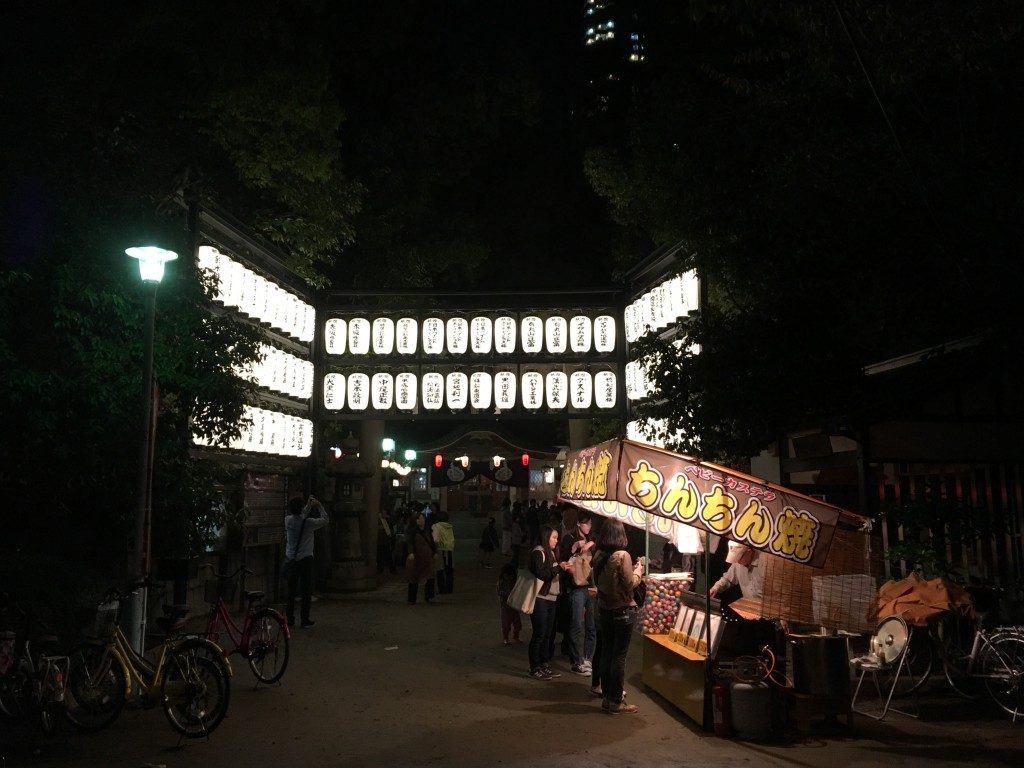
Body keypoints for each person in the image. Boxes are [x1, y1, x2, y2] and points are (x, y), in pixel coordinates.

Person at [592, 518, 643, 714]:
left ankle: (607, 698)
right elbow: (630, 584)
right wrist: (639, 571)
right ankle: (616, 700)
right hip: (623, 610)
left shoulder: (599, 554)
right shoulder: (622, 555)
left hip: (605, 609)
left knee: (606, 653)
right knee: (619, 657)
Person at [527, 525, 569, 680]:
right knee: (539, 633)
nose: (556, 541)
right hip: (540, 599)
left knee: (548, 634)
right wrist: (559, 567)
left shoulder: (551, 552)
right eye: (554, 537)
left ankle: (544, 665)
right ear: (546, 537)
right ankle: (534, 667)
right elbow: (542, 574)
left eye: (557, 538)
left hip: (552, 598)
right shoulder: (538, 552)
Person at [559, 512, 597, 676]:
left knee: (591, 626)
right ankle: (576, 661)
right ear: (578, 524)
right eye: (585, 523)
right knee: (576, 625)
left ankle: (588, 658)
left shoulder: (593, 539)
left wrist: (591, 546)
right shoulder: (569, 539)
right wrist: (574, 549)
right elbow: (563, 560)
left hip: (591, 587)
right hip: (576, 587)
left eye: (590, 523)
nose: (588, 526)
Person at [284, 494, 330, 628]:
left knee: (291, 592)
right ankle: (304, 619)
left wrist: (309, 505)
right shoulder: (309, 523)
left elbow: (300, 515)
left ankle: (289, 619)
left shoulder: (288, 520)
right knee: (306, 591)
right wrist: (319, 505)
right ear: (301, 507)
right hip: (306, 559)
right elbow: (325, 519)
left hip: (291, 559)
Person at [405, 511, 437, 604]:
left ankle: (430, 597)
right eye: (419, 519)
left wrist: (434, 552)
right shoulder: (413, 532)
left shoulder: (429, 531)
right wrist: (411, 553)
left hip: (428, 556)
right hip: (417, 557)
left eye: (422, 518)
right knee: (414, 577)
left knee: (430, 576)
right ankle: (412, 599)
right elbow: (410, 543)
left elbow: (432, 542)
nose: (421, 520)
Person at [496, 562, 522, 645]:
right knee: (506, 624)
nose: (509, 577)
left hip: (514, 607)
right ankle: (506, 638)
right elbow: (501, 593)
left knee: (518, 624)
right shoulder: (501, 583)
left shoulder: (514, 582)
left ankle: (516, 636)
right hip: (505, 607)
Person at [432, 510, 455, 594]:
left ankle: (441, 589)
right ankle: (449, 588)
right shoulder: (449, 526)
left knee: (440, 570)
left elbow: (436, 539)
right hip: (449, 550)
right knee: (449, 570)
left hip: (440, 550)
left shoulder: (436, 526)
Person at [377, 509, 396, 575]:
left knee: (387, 554)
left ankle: (391, 569)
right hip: (380, 540)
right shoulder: (378, 520)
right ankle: (381, 568)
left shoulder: (387, 520)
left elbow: (392, 523)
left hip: (385, 540)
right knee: (380, 555)